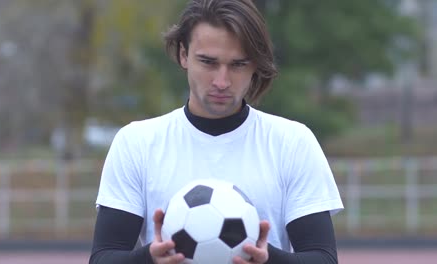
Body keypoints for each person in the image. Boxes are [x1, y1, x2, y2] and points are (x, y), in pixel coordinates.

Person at [89, 0, 344, 263]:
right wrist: (148, 258)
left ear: (255, 65)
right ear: (183, 55)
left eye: (238, 65)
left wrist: (270, 260)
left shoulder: (293, 143)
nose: (222, 81)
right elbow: (102, 258)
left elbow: (323, 258)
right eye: (208, 62)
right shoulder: (136, 143)